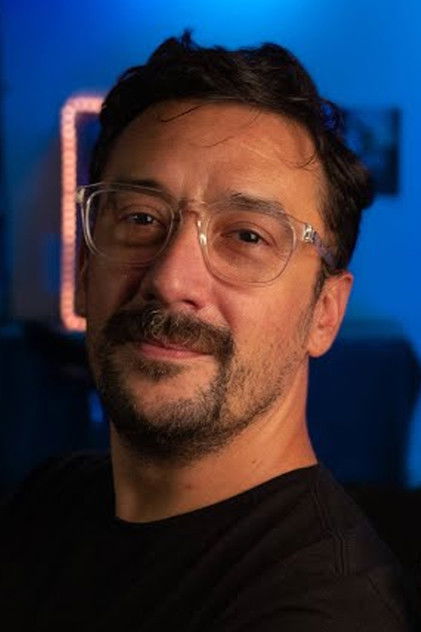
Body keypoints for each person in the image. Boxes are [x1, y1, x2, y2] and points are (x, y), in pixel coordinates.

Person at [1, 32, 417, 631]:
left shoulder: (323, 611)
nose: (170, 279)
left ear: (324, 312)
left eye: (247, 236)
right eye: (140, 218)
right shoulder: (51, 500)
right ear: (86, 270)